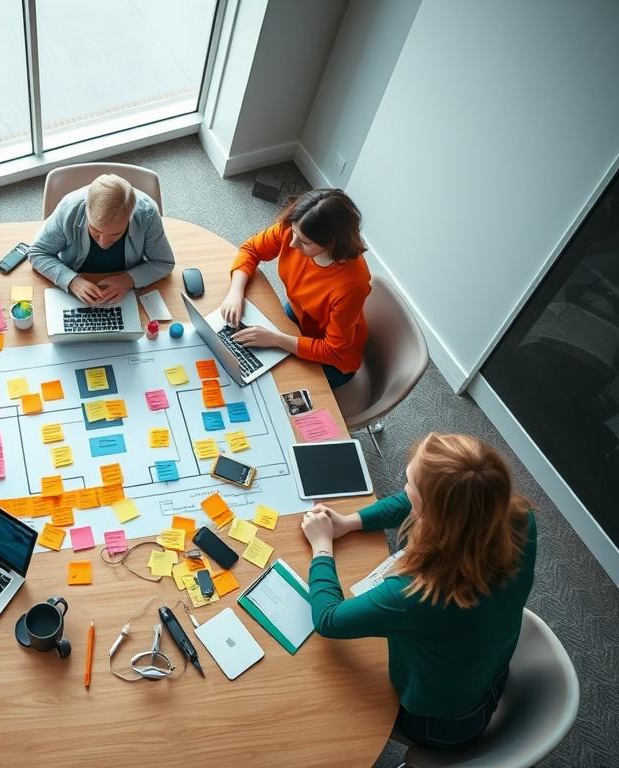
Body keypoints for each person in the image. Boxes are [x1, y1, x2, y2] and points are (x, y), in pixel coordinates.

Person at [299, 433, 537, 749]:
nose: (405, 488)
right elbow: (431, 500)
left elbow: (329, 619)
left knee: (322, 703)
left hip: (438, 723)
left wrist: (322, 545)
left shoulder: (419, 592)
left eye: (410, 483)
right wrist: (351, 522)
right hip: (486, 676)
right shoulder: (516, 519)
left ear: (431, 515)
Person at [220, 189, 371, 389]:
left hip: (332, 359)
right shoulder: (297, 228)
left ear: (332, 243)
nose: (292, 243)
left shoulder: (352, 286)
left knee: (274, 383)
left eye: (305, 242)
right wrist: (235, 292)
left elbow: (333, 351)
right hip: (300, 314)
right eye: (293, 232)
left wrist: (277, 339)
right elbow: (251, 249)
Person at [28, 173, 175, 305]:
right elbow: (37, 253)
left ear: (130, 217)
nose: (103, 243)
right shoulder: (68, 210)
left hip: (125, 293)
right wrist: (71, 280)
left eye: (115, 234)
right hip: (75, 285)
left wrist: (129, 279)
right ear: (86, 209)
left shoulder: (147, 215)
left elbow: (164, 263)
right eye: (96, 230)